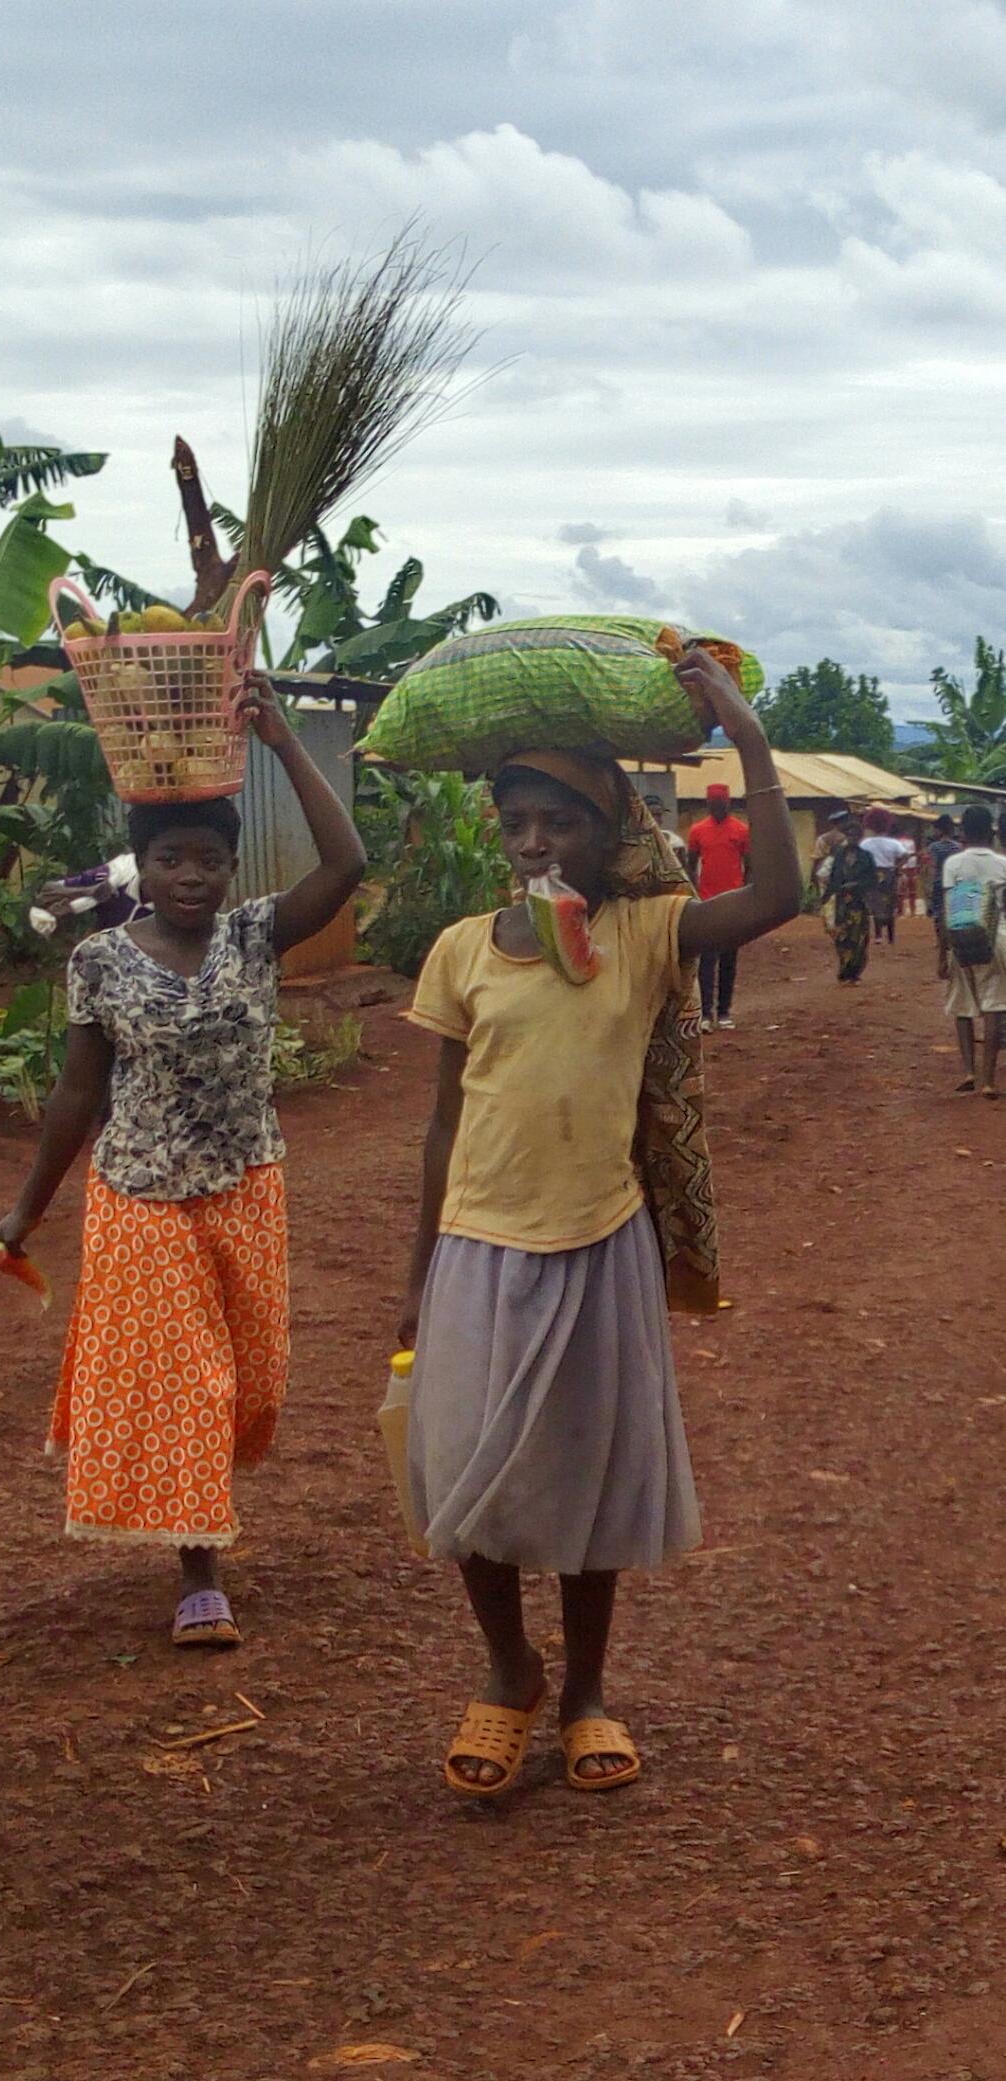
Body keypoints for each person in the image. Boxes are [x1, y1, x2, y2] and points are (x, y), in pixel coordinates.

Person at [398, 648, 800, 1799]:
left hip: (598, 1239)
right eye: (518, 822)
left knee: (587, 1476)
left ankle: (585, 1692)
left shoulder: (644, 932)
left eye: (560, 822)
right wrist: (417, 1276)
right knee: (464, 1472)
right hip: (479, 1244)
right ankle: (508, 1666)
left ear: (603, 828)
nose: (536, 842)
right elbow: (443, 1125)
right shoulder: (463, 949)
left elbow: (777, 899)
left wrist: (749, 740)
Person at [0, 679, 365, 1651]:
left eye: (209, 859)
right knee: (191, 1380)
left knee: (253, 1383)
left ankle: (199, 1506)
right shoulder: (100, 961)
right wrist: (26, 1210)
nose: (191, 876)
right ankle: (199, 1573)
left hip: (246, 1182)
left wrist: (281, 738)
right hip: (139, 1194)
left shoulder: (256, 934)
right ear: (140, 867)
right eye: (170, 858)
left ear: (233, 868)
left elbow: (346, 861)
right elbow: (76, 1094)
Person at [940, 804, 1006, 1097]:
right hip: (997, 938)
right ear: (991, 831)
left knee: (963, 1007)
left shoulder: (953, 864)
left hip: (960, 938)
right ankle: (989, 1081)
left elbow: (947, 910)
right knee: (995, 1007)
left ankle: (969, 1071)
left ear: (963, 832)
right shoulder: (1002, 864)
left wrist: (942, 954)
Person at [683, 782, 751, 1030]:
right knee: (706, 961)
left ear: (728, 803)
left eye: (721, 804)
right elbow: (691, 864)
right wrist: (694, 891)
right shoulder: (698, 830)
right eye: (713, 804)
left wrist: (745, 893)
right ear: (708, 804)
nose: (717, 808)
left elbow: (750, 864)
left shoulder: (741, 830)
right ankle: (704, 1014)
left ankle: (724, 1013)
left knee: (729, 960)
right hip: (708, 902)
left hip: (734, 902)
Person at [818, 809, 879, 983]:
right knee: (842, 938)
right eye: (849, 835)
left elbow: (872, 880)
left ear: (860, 837)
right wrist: (825, 899)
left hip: (859, 903)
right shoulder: (839, 855)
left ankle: (854, 972)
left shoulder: (866, 857)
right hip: (841, 904)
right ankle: (844, 970)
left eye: (855, 835)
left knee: (859, 939)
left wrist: (857, 886)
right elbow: (833, 878)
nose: (852, 838)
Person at [858, 807, 903, 945]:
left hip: (873, 874)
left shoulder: (865, 843)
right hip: (890, 874)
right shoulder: (894, 843)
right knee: (890, 905)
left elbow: (861, 858)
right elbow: (905, 855)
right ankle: (891, 937)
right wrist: (898, 866)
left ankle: (878, 936)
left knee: (876, 904)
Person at [927, 814, 964, 980]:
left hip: (939, 886)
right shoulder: (958, 847)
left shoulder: (934, 848)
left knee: (939, 917)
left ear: (939, 830)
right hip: (955, 885)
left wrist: (929, 888)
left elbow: (932, 868)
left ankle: (942, 955)